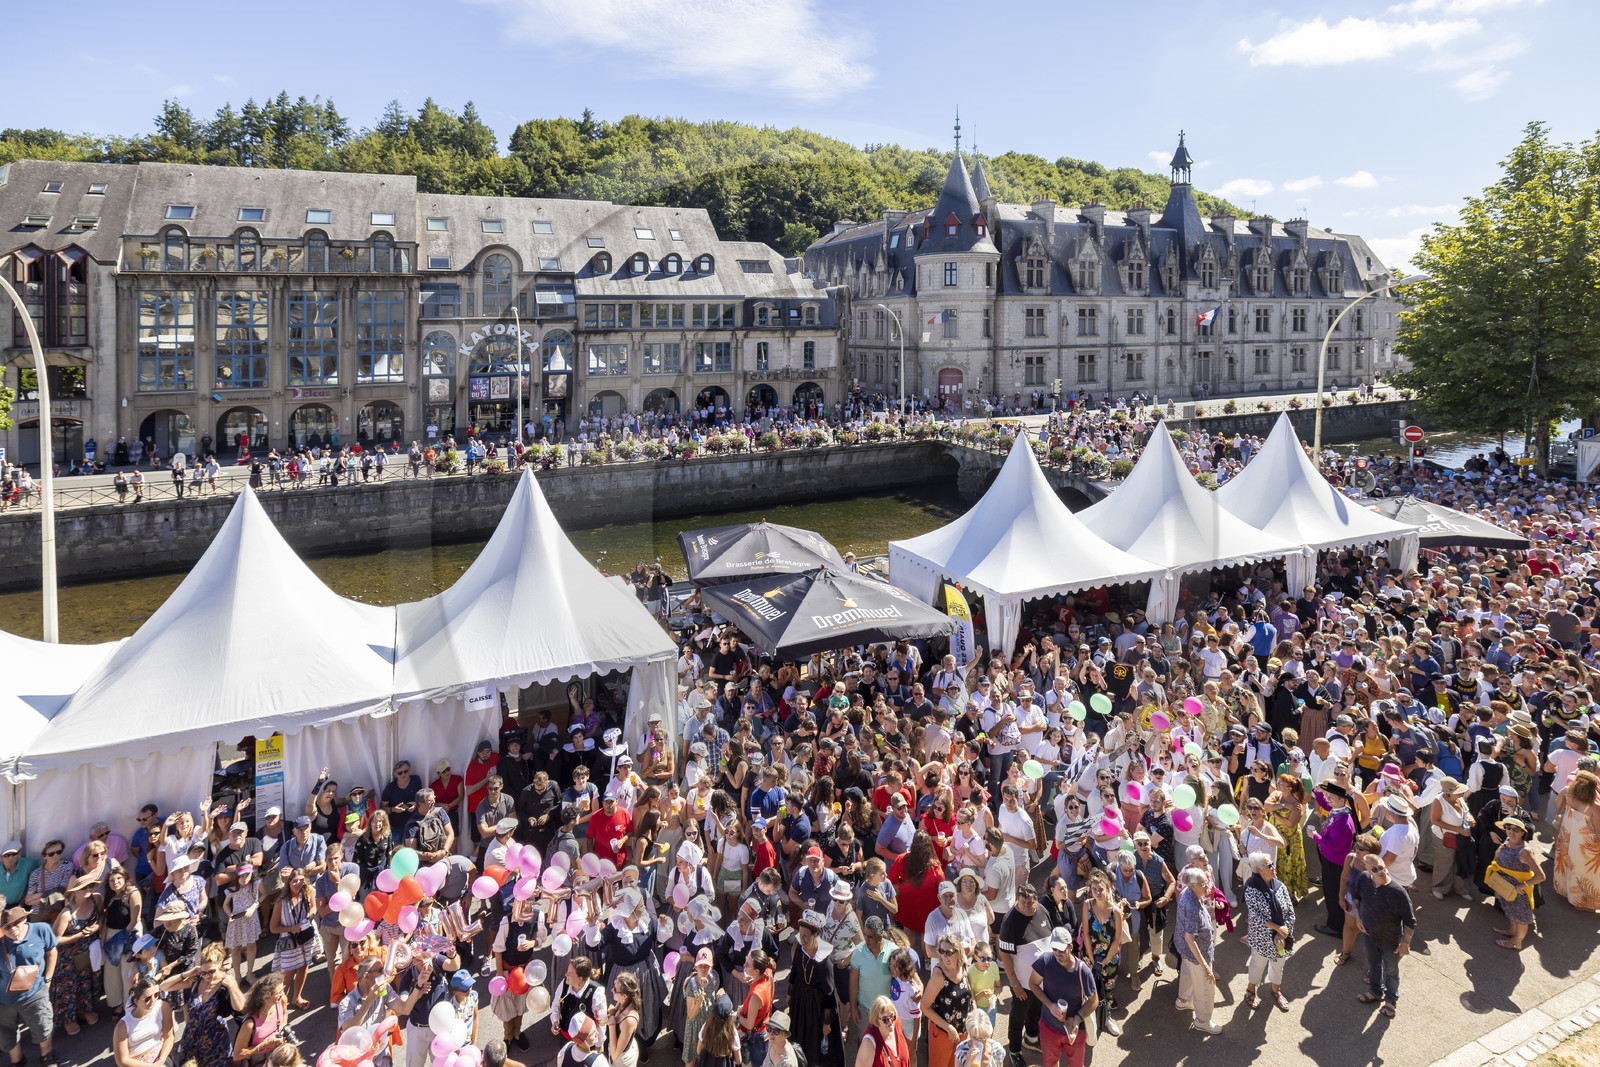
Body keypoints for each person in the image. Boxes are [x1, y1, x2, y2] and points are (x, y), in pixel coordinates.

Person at [1351, 853, 1415, 1017]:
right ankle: (1375, 991)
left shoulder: (1398, 892)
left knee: (1391, 971)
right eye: (1375, 869)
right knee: (1373, 964)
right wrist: (1358, 918)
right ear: (1367, 869)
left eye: (1382, 868)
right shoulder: (1364, 878)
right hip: (1369, 935)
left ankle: (1391, 1000)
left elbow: (1410, 921)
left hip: (1390, 940)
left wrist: (1405, 944)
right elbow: (1356, 897)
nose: (1380, 871)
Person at [165, 942, 246, 1067]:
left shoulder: (226, 981)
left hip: (215, 1042)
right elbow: (164, 986)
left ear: (220, 963)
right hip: (191, 1040)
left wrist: (232, 986)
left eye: (211, 971)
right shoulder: (197, 980)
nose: (207, 976)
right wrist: (186, 974)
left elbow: (240, 1007)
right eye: (204, 972)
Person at [1026, 927, 1097, 1067]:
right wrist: (1049, 1005)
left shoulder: (1083, 972)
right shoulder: (1045, 961)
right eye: (1054, 948)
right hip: (1049, 1027)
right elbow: (1033, 984)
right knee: (1050, 1064)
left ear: (1070, 947)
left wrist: (1078, 1018)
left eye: (1061, 950)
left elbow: (1094, 1001)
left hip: (1074, 1032)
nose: (1057, 953)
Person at [0, 905, 57, 1067]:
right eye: (7, 927)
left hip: (35, 991)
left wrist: (48, 979)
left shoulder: (41, 929)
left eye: (15, 923)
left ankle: (47, 1054)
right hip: (4, 999)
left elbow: (52, 952)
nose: (12, 929)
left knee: (42, 1023)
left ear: (24, 919)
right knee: (5, 1033)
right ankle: (17, 1060)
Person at [1241, 852, 1294, 1012]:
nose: (1274, 867)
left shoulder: (1279, 885)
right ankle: (1250, 990)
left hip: (1281, 938)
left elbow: (1290, 911)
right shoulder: (1251, 887)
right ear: (1259, 868)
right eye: (1269, 865)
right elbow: (1256, 916)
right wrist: (1278, 928)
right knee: (1258, 963)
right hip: (1262, 938)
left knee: (1279, 963)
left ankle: (1276, 990)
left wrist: (1283, 931)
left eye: (1272, 864)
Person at [1485, 818, 1544, 951]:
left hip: (1518, 891)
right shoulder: (1508, 841)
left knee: (1521, 918)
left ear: (1523, 833)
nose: (1511, 831)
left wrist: (1522, 886)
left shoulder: (1525, 851)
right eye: (1508, 827)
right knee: (1511, 911)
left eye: (1515, 829)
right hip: (1506, 887)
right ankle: (1512, 931)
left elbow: (1541, 876)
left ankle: (1517, 942)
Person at [1174, 867, 1221, 1035]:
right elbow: (1190, 938)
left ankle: (1183, 1000)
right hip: (1195, 951)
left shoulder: (1188, 891)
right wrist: (1206, 967)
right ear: (1193, 885)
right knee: (1205, 986)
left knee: (1187, 973)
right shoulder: (1192, 905)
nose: (1207, 885)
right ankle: (1203, 1020)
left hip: (1185, 950)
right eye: (1203, 883)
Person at [1552, 769, 1600, 912]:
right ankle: (1580, 902)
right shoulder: (1594, 807)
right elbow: (1598, 830)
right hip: (1584, 844)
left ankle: (1565, 891)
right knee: (1583, 871)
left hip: (1567, 835)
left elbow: (1557, 805)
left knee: (1567, 862)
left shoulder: (1566, 792)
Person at [921, 934, 972, 1067]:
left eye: (948, 952)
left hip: (963, 1030)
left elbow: (970, 994)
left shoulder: (964, 965)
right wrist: (948, 1028)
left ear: (958, 951)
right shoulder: (939, 975)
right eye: (941, 952)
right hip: (943, 1032)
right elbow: (924, 1007)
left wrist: (974, 1019)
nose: (944, 956)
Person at [1429, 778, 1477, 902]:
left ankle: (1461, 889)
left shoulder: (1459, 798)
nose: (1461, 794)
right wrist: (1458, 829)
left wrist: (1470, 819)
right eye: (1458, 792)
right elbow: (1435, 821)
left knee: (1461, 862)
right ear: (1447, 792)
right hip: (1444, 838)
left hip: (1461, 838)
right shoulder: (1438, 801)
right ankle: (1439, 888)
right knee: (1444, 863)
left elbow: (1466, 812)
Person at [111, 976, 174, 1067]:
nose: (153, 1000)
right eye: (147, 998)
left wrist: (160, 1061)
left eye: (156, 995)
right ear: (136, 1000)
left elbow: (169, 1037)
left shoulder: (163, 1007)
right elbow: (122, 1060)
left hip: (160, 1057)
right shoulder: (123, 1026)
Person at [232, 971, 290, 1066]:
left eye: (283, 989)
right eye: (278, 992)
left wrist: (282, 1029)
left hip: (278, 1054)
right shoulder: (250, 1024)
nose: (283, 994)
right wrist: (264, 1045)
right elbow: (237, 1055)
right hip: (259, 1061)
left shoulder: (282, 1000)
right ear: (265, 997)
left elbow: (284, 1014)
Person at [853, 997, 910, 1067]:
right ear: (876, 1020)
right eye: (885, 1019)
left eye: (893, 1017)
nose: (890, 1022)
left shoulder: (897, 1024)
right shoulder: (868, 1043)